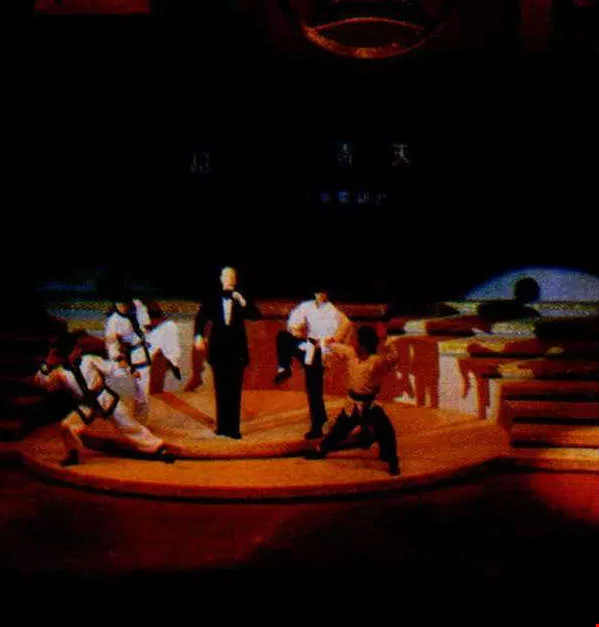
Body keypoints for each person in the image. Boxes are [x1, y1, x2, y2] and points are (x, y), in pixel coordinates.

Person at [34, 333, 174, 467]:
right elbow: (45, 383)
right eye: (75, 350)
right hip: (86, 405)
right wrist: (48, 363)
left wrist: (128, 369)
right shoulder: (60, 372)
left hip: (105, 399)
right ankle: (73, 454)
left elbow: (111, 368)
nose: (78, 351)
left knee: (128, 425)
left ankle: (158, 448)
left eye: (78, 349)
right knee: (67, 426)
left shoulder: (89, 360)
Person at [305, 325, 401, 475]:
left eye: (358, 342)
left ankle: (391, 460)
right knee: (339, 431)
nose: (355, 344)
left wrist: (387, 341)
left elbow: (393, 358)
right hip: (352, 405)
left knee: (386, 430)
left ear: (364, 346)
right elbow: (332, 346)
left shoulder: (376, 362)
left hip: (369, 406)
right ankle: (321, 450)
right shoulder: (350, 353)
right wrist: (318, 342)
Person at [193, 266, 262, 439]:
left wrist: (243, 301)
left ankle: (233, 429)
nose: (229, 278)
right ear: (221, 278)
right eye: (226, 275)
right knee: (221, 389)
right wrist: (198, 336)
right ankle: (222, 426)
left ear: (235, 280)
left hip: (237, 351)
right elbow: (201, 318)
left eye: (232, 276)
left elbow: (256, 315)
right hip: (218, 350)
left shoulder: (241, 297)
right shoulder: (212, 298)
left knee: (235, 390)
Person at [274, 286, 352, 439]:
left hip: (321, 353)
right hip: (307, 347)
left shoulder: (335, 313)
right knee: (283, 337)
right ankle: (284, 368)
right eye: (318, 292)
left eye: (323, 292)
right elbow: (294, 325)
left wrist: (326, 343)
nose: (320, 295)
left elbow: (339, 335)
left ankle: (318, 424)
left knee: (314, 389)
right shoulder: (307, 307)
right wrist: (297, 330)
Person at [104, 289, 182, 421]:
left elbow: (147, 324)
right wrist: (125, 364)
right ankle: (138, 420)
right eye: (120, 304)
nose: (123, 307)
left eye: (126, 303)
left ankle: (173, 361)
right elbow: (112, 347)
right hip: (133, 353)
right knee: (141, 392)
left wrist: (151, 326)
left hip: (147, 343)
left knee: (170, 327)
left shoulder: (138, 305)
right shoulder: (113, 321)